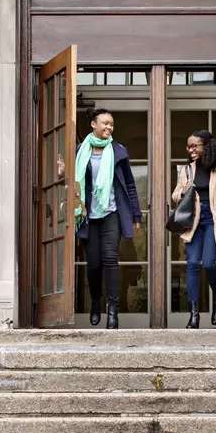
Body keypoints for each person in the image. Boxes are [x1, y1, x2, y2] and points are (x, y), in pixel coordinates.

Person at [74, 108, 142, 329]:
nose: (109, 127)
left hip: (111, 212)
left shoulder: (118, 151)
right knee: (93, 264)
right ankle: (95, 301)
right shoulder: (79, 151)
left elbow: (130, 185)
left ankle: (113, 310)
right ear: (93, 124)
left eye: (111, 124)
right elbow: (73, 181)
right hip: (88, 215)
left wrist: (136, 215)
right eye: (105, 123)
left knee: (111, 260)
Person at [171, 130, 216, 328]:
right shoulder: (187, 170)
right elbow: (175, 195)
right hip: (193, 221)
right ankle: (193, 315)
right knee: (192, 264)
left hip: (213, 219)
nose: (191, 150)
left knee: (209, 264)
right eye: (188, 147)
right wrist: (182, 192)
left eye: (194, 146)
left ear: (206, 146)